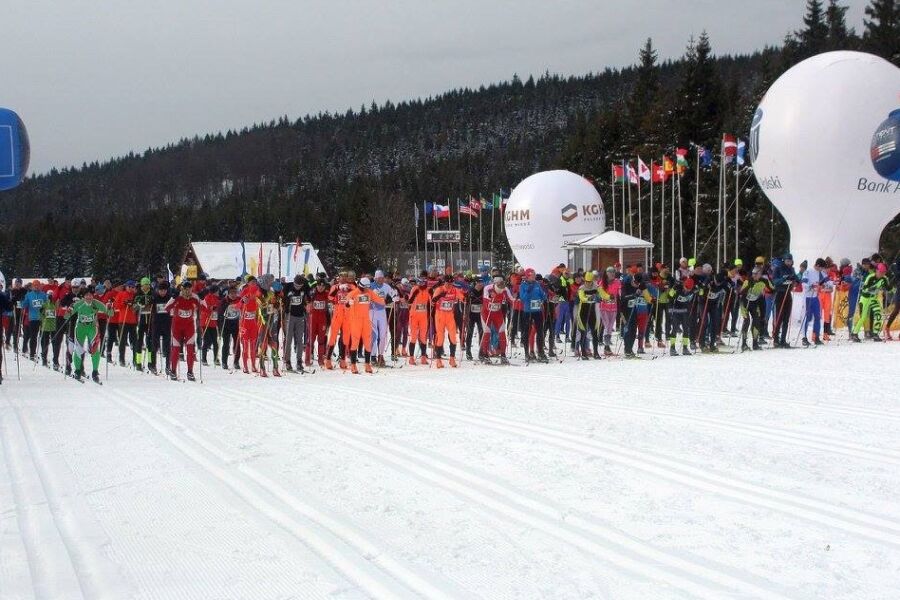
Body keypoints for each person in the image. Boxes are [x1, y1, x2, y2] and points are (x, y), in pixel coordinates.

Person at [69, 286, 112, 383]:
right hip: (80, 327)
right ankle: (77, 370)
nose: (89, 297)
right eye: (86, 295)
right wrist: (70, 308)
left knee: (95, 350)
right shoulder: (79, 304)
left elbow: (110, 313)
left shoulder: (97, 303)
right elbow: (67, 315)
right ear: (83, 296)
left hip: (92, 327)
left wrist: (109, 307)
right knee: (79, 349)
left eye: (90, 295)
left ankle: (95, 371)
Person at [165, 281, 201, 381]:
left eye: (190, 289)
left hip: (189, 327)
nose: (188, 291)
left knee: (190, 349)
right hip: (177, 326)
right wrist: (173, 298)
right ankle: (173, 371)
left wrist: (202, 299)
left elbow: (204, 308)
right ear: (182, 289)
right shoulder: (178, 297)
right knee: (176, 349)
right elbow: (167, 308)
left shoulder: (194, 298)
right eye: (185, 289)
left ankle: (190, 372)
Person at [851, 263, 894, 342]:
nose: (882, 274)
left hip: (873, 298)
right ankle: (854, 333)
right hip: (865, 298)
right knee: (863, 317)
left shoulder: (884, 278)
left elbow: (888, 288)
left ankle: (875, 334)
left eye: (884, 272)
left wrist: (892, 287)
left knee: (878, 314)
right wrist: (871, 289)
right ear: (876, 271)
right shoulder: (870, 277)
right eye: (880, 272)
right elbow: (864, 288)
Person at [431, 276, 465, 368]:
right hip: (440, 315)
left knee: (453, 337)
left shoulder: (455, 290)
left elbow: (463, 298)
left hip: (450, 315)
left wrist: (466, 296)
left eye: (451, 283)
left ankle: (452, 358)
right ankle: (438, 360)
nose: (449, 285)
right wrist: (440, 295)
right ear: (444, 282)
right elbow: (432, 302)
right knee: (440, 337)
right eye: (447, 283)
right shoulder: (439, 289)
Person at [480, 276, 514, 364]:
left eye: (502, 287)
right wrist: (491, 296)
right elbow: (486, 297)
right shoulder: (488, 288)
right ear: (495, 284)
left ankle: (503, 355)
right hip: (486, 313)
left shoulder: (505, 289)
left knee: (502, 333)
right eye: (499, 287)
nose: (501, 289)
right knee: (487, 333)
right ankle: (485, 355)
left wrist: (516, 300)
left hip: (497, 314)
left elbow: (511, 299)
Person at [800, 258, 833, 347]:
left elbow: (828, 280)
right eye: (821, 268)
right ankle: (804, 338)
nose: (822, 270)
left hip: (815, 298)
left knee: (818, 317)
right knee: (807, 318)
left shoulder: (821, 273)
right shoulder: (808, 272)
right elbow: (803, 283)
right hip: (807, 298)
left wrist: (831, 284)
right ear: (818, 265)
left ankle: (816, 337)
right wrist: (811, 286)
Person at [739, 267, 772, 351]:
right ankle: (744, 343)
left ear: (760, 274)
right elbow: (741, 292)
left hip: (754, 303)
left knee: (756, 321)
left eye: (756, 274)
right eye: (753, 273)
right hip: (745, 303)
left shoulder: (763, 281)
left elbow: (772, 288)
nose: (754, 275)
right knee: (747, 321)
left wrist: (774, 290)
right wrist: (749, 287)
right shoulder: (748, 281)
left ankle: (755, 343)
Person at [519, 268, 548, 362]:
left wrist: (544, 296)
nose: (534, 277)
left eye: (534, 275)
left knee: (540, 332)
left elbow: (543, 296)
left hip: (538, 311)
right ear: (528, 276)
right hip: (528, 311)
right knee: (527, 332)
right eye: (532, 275)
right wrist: (528, 290)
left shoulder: (537, 284)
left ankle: (540, 352)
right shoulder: (523, 285)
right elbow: (523, 298)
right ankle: (527, 353)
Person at [369, 270, 397, 366]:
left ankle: (381, 355)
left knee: (383, 335)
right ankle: (373, 356)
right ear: (375, 278)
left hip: (382, 312)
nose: (380, 280)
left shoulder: (386, 286)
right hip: (372, 312)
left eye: (382, 278)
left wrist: (395, 297)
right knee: (374, 335)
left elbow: (393, 293)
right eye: (378, 278)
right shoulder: (371, 286)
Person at [283, 274, 308, 372]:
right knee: (288, 340)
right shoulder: (288, 287)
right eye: (296, 285)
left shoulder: (304, 287)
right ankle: (287, 361)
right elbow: (281, 297)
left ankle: (299, 361)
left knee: (300, 340)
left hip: (300, 316)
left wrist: (308, 303)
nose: (298, 287)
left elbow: (309, 295)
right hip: (290, 316)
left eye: (300, 286)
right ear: (294, 282)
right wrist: (285, 299)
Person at [772, 254, 798, 348]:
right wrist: (784, 279)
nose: (789, 263)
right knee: (779, 317)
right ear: (784, 261)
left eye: (790, 261)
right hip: (780, 293)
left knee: (786, 318)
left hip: (788, 294)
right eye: (787, 261)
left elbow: (796, 278)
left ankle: (783, 340)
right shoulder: (778, 268)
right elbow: (774, 281)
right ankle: (776, 339)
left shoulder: (791, 269)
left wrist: (796, 279)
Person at [667, 276, 695, 355]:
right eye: (686, 287)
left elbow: (697, 295)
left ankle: (685, 348)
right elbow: (669, 296)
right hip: (675, 311)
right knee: (675, 328)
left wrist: (699, 289)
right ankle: (672, 348)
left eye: (689, 288)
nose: (687, 289)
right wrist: (673, 288)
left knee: (686, 329)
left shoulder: (692, 290)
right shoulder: (678, 288)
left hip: (685, 311)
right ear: (684, 285)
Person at [407, 278, 432, 365]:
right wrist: (414, 294)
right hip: (414, 315)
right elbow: (409, 302)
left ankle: (423, 357)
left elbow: (431, 301)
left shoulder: (427, 290)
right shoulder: (415, 289)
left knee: (423, 337)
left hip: (423, 317)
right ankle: (411, 358)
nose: (421, 285)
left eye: (423, 283)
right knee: (413, 336)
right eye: (420, 283)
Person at [22, 280, 47, 360]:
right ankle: (32, 354)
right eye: (35, 285)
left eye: (38, 285)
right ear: (32, 286)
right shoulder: (29, 295)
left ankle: (44, 354)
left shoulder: (43, 295)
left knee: (43, 336)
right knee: (33, 336)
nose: (36, 286)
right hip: (32, 319)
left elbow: (47, 305)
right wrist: (23, 300)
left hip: (42, 318)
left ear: (40, 286)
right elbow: (24, 305)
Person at [219, 284, 241, 370]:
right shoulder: (224, 301)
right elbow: (220, 313)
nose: (233, 295)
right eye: (231, 293)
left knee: (237, 344)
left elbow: (243, 307)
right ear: (228, 294)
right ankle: (224, 362)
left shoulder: (239, 300)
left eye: (235, 293)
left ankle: (236, 361)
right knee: (226, 344)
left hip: (236, 324)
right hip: (226, 325)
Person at [39, 290, 62, 369]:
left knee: (55, 344)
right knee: (45, 343)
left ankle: (55, 361)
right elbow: (41, 314)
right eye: (49, 295)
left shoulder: (56, 304)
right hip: (45, 326)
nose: (50, 297)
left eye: (51, 295)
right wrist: (42, 313)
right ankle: (44, 359)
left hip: (54, 327)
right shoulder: (44, 304)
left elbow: (59, 313)